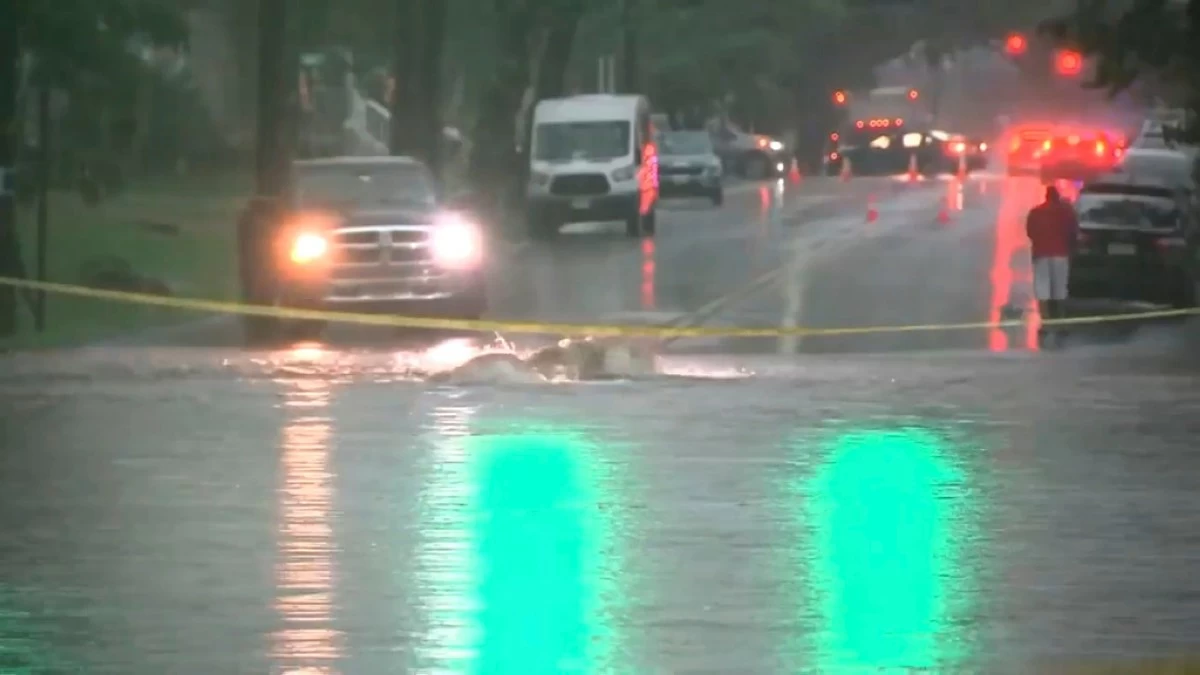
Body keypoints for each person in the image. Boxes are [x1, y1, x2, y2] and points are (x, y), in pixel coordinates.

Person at [1025, 185, 1078, 346]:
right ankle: (1061, 322)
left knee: (1043, 289)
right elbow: (1073, 231)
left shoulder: (1036, 212)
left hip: (1041, 254)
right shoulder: (1066, 213)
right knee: (1060, 288)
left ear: (1046, 197)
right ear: (1057, 197)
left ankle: (1046, 323)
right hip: (1061, 254)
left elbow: (1030, 232)